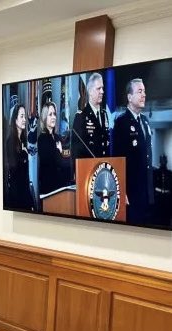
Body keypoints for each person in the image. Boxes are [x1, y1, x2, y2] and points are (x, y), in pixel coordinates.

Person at [112, 78, 153, 225]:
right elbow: (117, 159)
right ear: (129, 97)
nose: (144, 95)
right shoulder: (122, 123)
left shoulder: (145, 121)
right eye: (140, 91)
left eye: (144, 91)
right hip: (132, 193)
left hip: (147, 192)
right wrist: (122, 190)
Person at [71, 72, 110, 161]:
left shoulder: (104, 114)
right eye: (98, 88)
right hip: (88, 170)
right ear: (90, 91)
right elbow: (76, 152)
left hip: (104, 169)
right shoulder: (81, 116)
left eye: (102, 88)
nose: (102, 92)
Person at [37, 101, 69, 202]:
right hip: (49, 191)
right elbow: (53, 162)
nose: (54, 117)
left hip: (62, 188)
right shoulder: (42, 139)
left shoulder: (58, 137)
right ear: (44, 117)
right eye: (50, 114)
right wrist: (59, 152)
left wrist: (60, 154)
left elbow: (67, 163)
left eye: (54, 114)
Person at [4, 104, 34, 211]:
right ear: (15, 120)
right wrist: (24, 155)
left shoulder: (24, 140)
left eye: (24, 117)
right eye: (21, 116)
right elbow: (14, 166)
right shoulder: (10, 141)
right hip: (16, 193)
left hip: (25, 189)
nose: (24, 120)